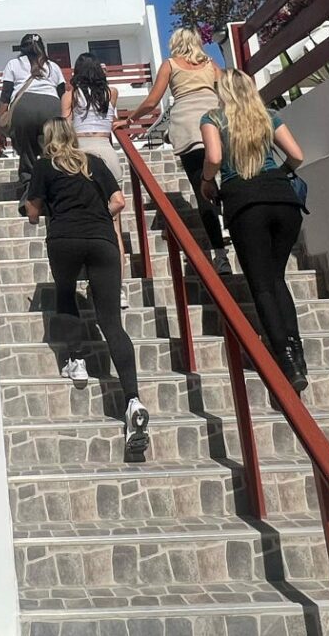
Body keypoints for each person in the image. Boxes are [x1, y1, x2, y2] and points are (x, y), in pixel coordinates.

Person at [24, 119, 150, 461]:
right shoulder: (93, 163)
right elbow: (120, 202)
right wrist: (95, 215)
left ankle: (76, 360)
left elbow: (33, 211)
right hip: (101, 239)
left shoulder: (43, 165)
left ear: (47, 140)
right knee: (111, 321)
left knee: (65, 291)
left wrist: (34, 212)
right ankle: (133, 401)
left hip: (64, 238)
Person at [198, 69, 308, 392]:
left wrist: (206, 183)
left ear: (224, 92)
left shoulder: (213, 118)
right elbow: (297, 155)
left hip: (245, 204)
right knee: (276, 279)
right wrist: (279, 175)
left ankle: (286, 362)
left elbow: (214, 157)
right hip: (284, 202)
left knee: (260, 286)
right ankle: (297, 352)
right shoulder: (268, 116)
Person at [122, 28, 230, 274]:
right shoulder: (210, 63)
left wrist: (129, 121)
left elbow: (152, 101)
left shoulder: (170, 65)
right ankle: (229, 224)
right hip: (217, 122)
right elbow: (228, 91)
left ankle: (220, 256)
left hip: (188, 129)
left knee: (201, 190)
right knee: (228, 180)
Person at [62, 52, 130, 306]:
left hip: (81, 155)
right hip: (107, 151)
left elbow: (65, 130)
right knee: (114, 228)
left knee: (83, 219)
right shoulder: (110, 94)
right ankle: (118, 290)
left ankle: (88, 274)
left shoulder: (71, 96)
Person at [0, 33, 65, 207]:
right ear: (42, 47)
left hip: (24, 108)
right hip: (52, 106)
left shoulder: (14, 64)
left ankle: (30, 191)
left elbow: (5, 97)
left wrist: (0, 130)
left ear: (22, 49)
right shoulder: (53, 67)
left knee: (26, 150)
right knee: (51, 150)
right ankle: (55, 187)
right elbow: (63, 94)